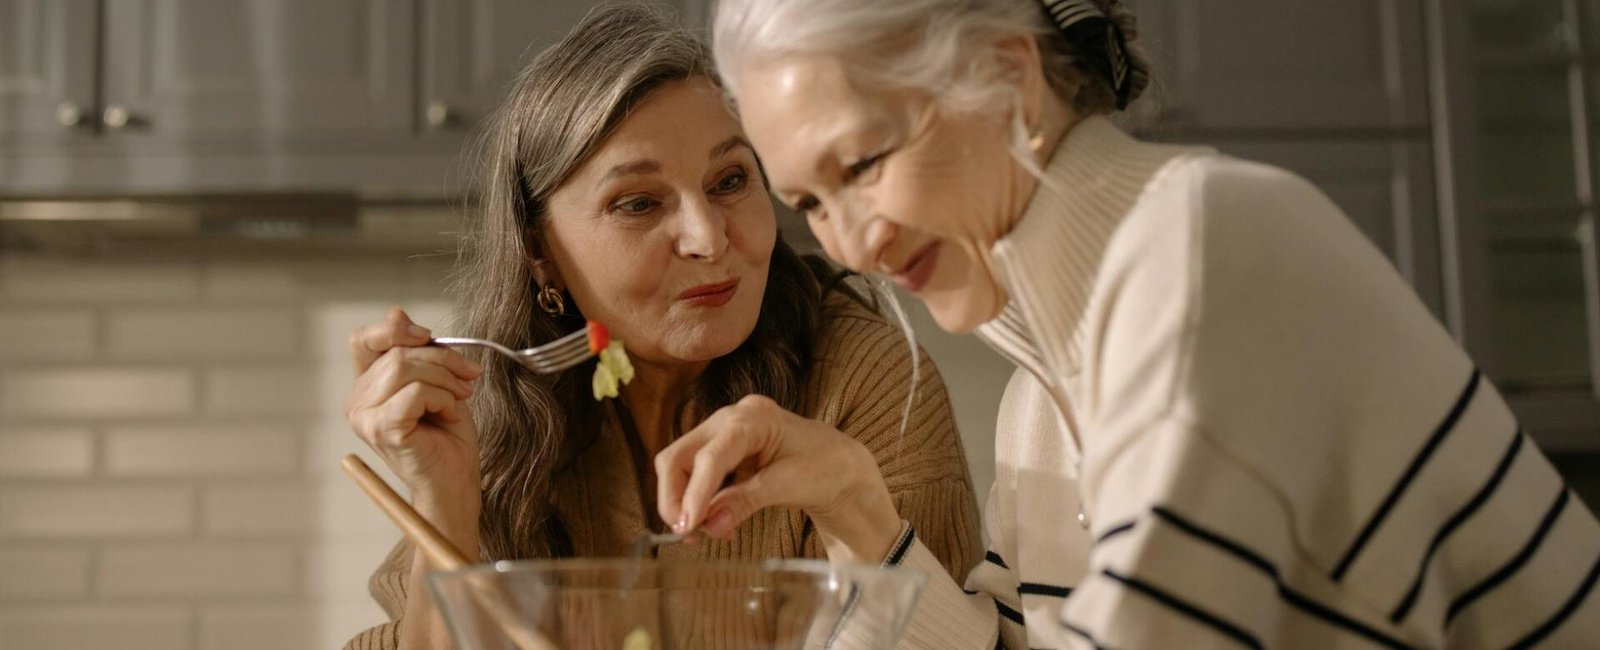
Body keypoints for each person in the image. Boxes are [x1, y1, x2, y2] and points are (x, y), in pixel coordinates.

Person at [656, 0, 1600, 647]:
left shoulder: (1204, 246)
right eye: (810, 203)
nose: (852, 244)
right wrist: (855, 504)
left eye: (860, 165)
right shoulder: (1043, 391)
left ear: (1007, 76)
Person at [340, 5, 982, 649]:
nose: (708, 237)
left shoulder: (863, 376)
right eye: (639, 203)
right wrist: (445, 494)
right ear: (540, 253)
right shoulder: (490, 410)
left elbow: (935, 633)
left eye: (730, 180)